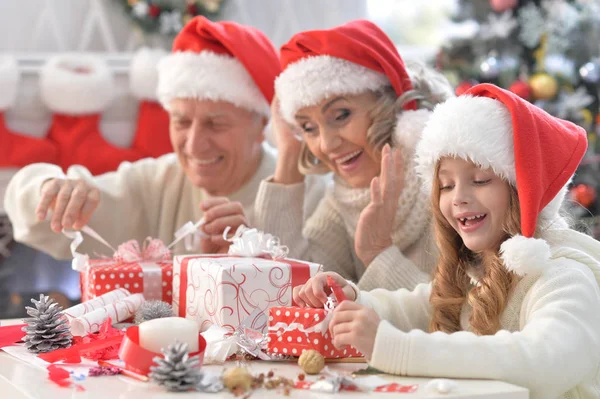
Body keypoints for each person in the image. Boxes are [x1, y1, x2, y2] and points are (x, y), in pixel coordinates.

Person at [294, 84, 600, 399]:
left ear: (524, 191)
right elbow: (415, 307)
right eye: (446, 185)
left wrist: (396, 348)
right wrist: (353, 302)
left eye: (480, 180)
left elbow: (543, 359)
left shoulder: (564, 276)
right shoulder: (477, 273)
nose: (459, 198)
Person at [4, 16, 326, 258]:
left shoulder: (311, 192)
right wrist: (50, 189)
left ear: (261, 125)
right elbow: (34, 220)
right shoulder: (156, 181)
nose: (194, 144)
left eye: (216, 124)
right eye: (181, 121)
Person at [254, 20, 454, 290]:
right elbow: (285, 285)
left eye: (341, 115)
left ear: (390, 105)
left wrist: (378, 252)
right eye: (308, 128)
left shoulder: (449, 186)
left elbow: (458, 318)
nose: (326, 144)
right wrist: (289, 156)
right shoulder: (343, 199)